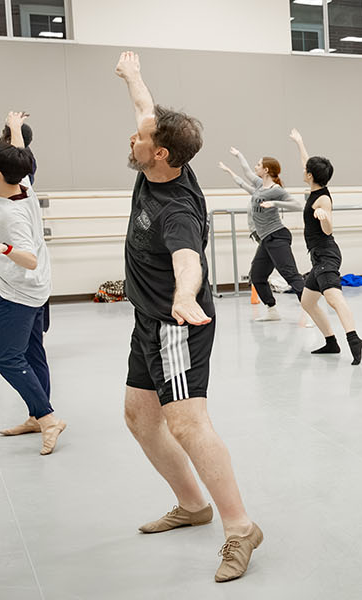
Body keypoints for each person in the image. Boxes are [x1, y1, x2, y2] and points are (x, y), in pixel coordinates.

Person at [111, 51, 260, 582]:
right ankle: (192, 504)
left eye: (140, 138)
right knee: (139, 418)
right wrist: (135, 76)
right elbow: (145, 110)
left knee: (188, 423)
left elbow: (188, 260)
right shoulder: (162, 161)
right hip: (146, 317)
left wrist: (184, 295)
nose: (132, 138)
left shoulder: (175, 208)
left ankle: (240, 528)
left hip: (177, 323)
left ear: (161, 154)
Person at [0, 111, 63, 455]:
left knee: (7, 359)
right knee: (32, 352)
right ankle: (35, 416)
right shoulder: (22, 184)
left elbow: (30, 257)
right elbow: (22, 158)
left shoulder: (10, 214)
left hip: (20, 292)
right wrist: (13, 129)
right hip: (37, 287)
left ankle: (48, 417)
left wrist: (3, 247)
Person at [287, 129, 362, 364]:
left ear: (310, 176)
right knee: (308, 302)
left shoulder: (322, 199)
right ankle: (331, 342)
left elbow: (329, 230)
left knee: (334, 298)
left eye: (305, 171)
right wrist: (300, 142)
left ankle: (354, 339)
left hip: (326, 256)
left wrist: (324, 217)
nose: (303, 171)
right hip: (318, 258)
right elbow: (306, 162)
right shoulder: (315, 187)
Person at [218, 147, 304, 322]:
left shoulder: (276, 190)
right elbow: (246, 174)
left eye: (258, 164)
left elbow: (297, 205)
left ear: (266, 170)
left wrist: (274, 203)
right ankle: (272, 311)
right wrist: (238, 156)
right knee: (257, 276)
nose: (255, 167)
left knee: (290, 275)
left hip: (278, 236)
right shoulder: (259, 185)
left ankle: (310, 311)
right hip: (266, 240)